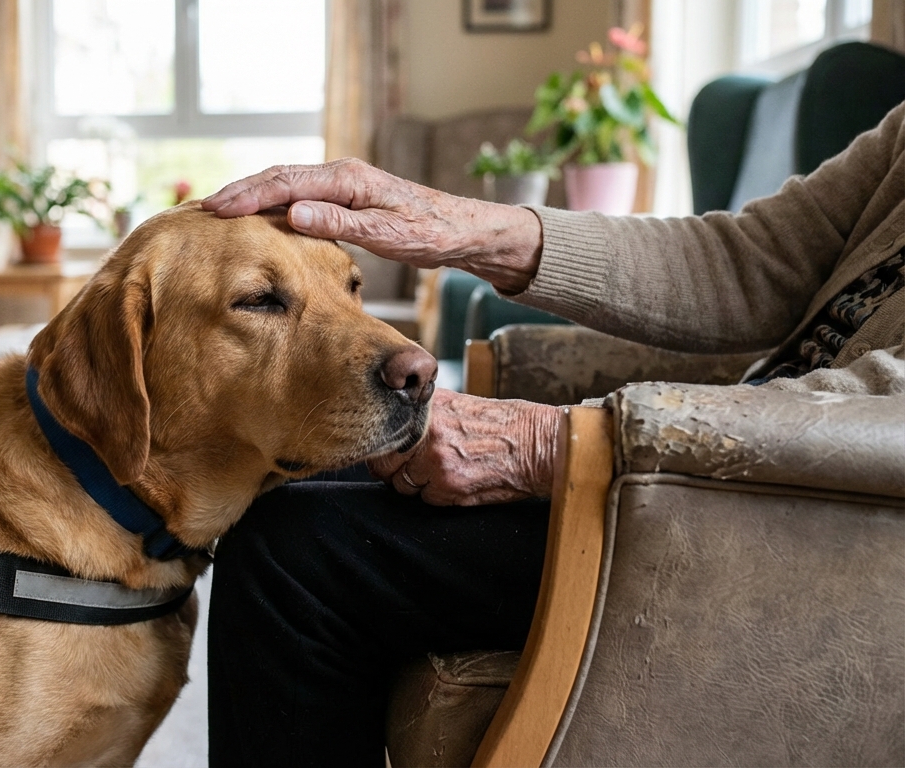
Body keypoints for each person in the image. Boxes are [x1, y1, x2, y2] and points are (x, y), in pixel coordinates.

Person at [200, 101, 905, 767]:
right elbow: (749, 263)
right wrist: (457, 226)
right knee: (310, 469)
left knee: (295, 555)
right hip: (732, 473)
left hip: (823, 532)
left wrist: (563, 445)